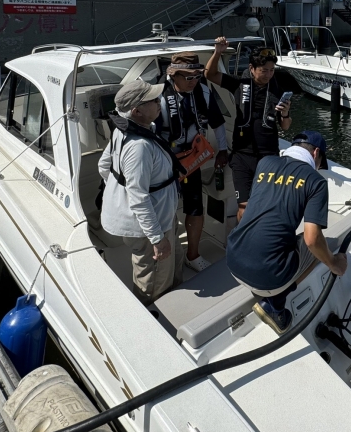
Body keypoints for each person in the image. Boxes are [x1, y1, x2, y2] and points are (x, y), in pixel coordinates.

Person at [226, 131, 347, 333]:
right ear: (316, 153)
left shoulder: (265, 163)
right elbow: (311, 239)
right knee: (319, 250)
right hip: (266, 276)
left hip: (232, 260)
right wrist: (335, 264)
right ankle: (274, 304)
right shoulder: (316, 182)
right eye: (320, 162)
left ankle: (271, 290)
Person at [98, 79, 186, 305]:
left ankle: (172, 296)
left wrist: (120, 196)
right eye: (154, 100)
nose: (160, 103)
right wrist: (156, 238)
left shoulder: (123, 129)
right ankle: (153, 312)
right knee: (153, 275)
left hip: (159, 216)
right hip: (150, 227)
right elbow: (138, 198)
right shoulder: (140, 146)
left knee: (166, 269)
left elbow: (103, 165)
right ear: (136, 111)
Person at [153, 52, 229, 273]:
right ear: (173, 75)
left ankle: (192, 255)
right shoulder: (158, 95)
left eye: (197, 75)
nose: (194, 81)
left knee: (196, 207)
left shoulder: (202, 91)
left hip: (192, 160)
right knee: (165, 209)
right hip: (165, 161)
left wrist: (222, 150)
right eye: (188, 77)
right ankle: (164, 253)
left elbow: (217, 122)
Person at [204, 38, 292, 222]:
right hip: (242, 157)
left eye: (271, 70)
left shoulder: (278, 91)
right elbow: (210, 75)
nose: (268, 75)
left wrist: (285, 114)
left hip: (269, 157)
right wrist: (218, 52)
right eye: (263, 70)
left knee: (268, 205)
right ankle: (242, 244)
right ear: (251, 68)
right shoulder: (239, 84)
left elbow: (285, 126)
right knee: (244, 209)